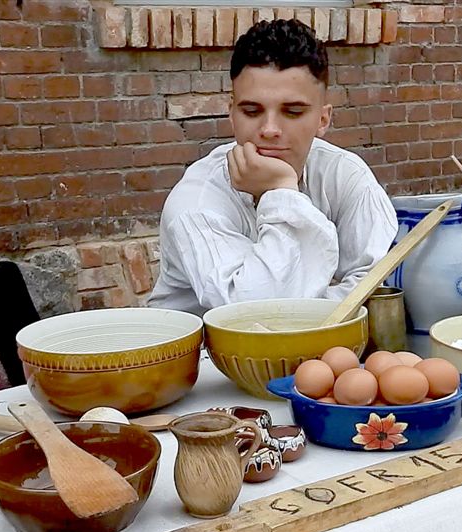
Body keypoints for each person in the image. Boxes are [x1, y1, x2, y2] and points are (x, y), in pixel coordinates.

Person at [147, 18, 397, 315]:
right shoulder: (196, 202)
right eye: (252, 111)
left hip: (321, 342)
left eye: (292, 112)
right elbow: (259, 314)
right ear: (232, 115)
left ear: (323, 119)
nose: (269, 129)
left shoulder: (346, 175)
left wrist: (311, 303)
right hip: (202, 346)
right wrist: (282, 191)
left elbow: (372, 284)